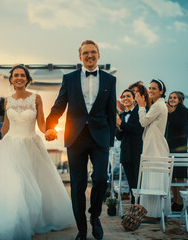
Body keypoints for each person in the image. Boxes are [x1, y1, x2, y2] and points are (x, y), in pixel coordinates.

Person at [0, 65, 75, 239]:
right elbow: (6, 126)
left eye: (22, 75)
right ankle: (16, 222)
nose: (19, 78)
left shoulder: (36, 98)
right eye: (15, 75)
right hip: (10, 147)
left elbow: (41, 124)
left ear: (28, 79)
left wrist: (49, 131)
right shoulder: (7, 100)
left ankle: (33, 220)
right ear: (11, 79)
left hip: (31, 145)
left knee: (33, 184)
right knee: (15, 183)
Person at [45, 40, 116, 240]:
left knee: (101, 178)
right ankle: (82, 230)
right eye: (85, 53)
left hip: (100, 137)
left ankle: (94, 216)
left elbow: (111, 111)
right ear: (80, 56)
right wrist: (50, 125)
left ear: (99, 55)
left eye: (93, 52)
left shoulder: (110, 81)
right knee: (78, 184)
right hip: (75, 137)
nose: (89, 55)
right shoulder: (69, 78)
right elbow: (59, 105)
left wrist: (110, 138)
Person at [135, 79, 170, 218]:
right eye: (149, 88)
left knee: (153, 180)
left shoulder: (158, 106)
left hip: (155, 147)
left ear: (161, 91)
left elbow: (143, 122)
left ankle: (152, 213)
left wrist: (141, 106)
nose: (150, 90)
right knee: (154, 180)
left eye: (154, 88)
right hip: (155, 146)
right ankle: (154, 212)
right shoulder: (159, 105)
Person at [116, 87, 146, 204]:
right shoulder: (122, 116)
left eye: (128, 96)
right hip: (126, 154)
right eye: (123, 96)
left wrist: (121, 124)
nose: (125, 98)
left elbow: (138, 129)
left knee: (138, 183)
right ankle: (134, 207)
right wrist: (119, 126)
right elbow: (119, 136)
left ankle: (138, 208)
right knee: (131, 184)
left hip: (137, 153)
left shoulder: (140, 112)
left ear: (134, 100)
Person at [165, 91, 188, 211]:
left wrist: (171, 112)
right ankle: (175, 200)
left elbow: (180, 125)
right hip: (169, 147)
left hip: (179, 149)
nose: (172, 99)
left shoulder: (183, 110)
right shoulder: (169, 111)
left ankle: (180, 203)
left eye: (175, 98)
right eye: (170, 97)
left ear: (180, 100)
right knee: (171, 176)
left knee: (179, 176)